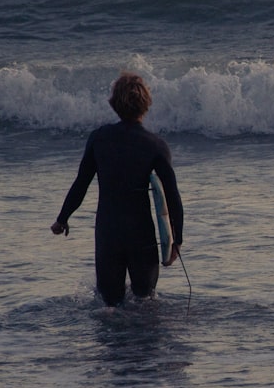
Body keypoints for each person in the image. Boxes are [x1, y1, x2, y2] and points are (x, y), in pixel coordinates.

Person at [51, 72, 183, 307]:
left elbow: (81, 183)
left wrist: (62, 219)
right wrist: (176, 240)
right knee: (144, 304)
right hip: (140, 235)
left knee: (109, 307)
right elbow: (172, 197)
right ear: (146, 104)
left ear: (114, 104)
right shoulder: (156, 146)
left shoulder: (99, 139)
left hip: (108, 234)